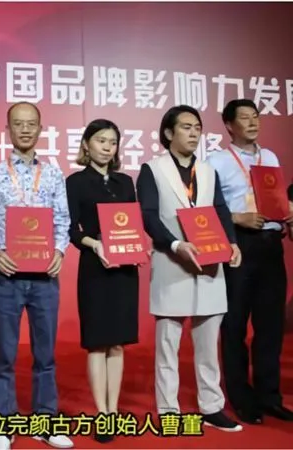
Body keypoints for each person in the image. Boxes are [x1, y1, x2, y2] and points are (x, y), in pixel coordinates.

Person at [136, 105, 243, 432]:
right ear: (169, 133)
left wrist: (232, 242)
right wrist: (174, 244)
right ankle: (169, 411)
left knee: (208, 344)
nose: (194, 133)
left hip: (209, 264)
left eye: (197, 127)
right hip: (173, 263)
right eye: (186, 127)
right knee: (168, 345)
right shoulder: (152, 169)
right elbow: (149, 216)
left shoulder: (208, 171)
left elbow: (220, 210)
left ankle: (211, 407)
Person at [0, 102, 74, 450]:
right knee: (4, 356)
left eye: (31, 124)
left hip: (44, 278)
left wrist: (59, 252)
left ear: (40, 129)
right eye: (18, 124)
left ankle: (45, 423)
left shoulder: (52, 174)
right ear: (8, 129)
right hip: (6, 277)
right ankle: (3, 427)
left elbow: (63, 220)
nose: (25, 129)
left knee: (45, 355)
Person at [206, 99, 293, 423]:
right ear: (229, 125)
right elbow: (206, 208)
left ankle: (269, 396)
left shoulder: (269, 157)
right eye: (244, 118)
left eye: (256, 116)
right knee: (235, 324)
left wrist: (286, 212)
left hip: (271, 245)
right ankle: (242, 398)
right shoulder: (216, 161)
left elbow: (275, 197)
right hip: (239, 246)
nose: (253, 122)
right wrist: (237, 218)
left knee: (270, 325)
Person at [65, 119, 139, 444]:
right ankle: (102, 413)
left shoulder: (125, 182)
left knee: (118, 343)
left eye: (112, 142)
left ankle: (114, 409)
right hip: (95, 267)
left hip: (124, 269)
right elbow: (72, 230)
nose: (107, 147)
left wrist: (135, 245)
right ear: (86, 144)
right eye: (100, 140)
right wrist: (95, 244)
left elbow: (132, 222)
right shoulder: (76, 182)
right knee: (97, 342)